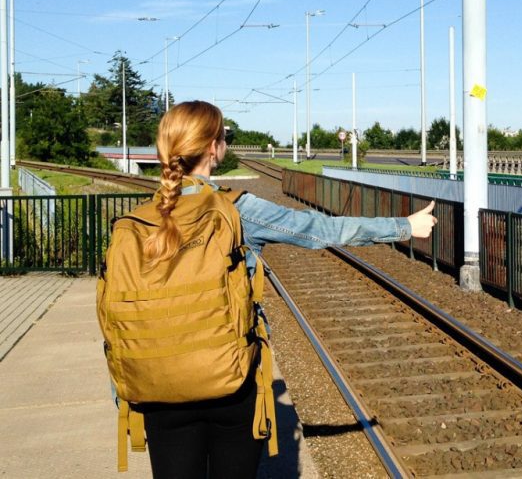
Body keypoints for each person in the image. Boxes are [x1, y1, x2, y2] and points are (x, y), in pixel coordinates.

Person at [135, 100, 437, 479]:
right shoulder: (237, 208)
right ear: (214, 148)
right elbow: (320, 231)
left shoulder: (142, 218)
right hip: (229, 380)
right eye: (225, 136)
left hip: (157, 386)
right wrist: (403, 225)